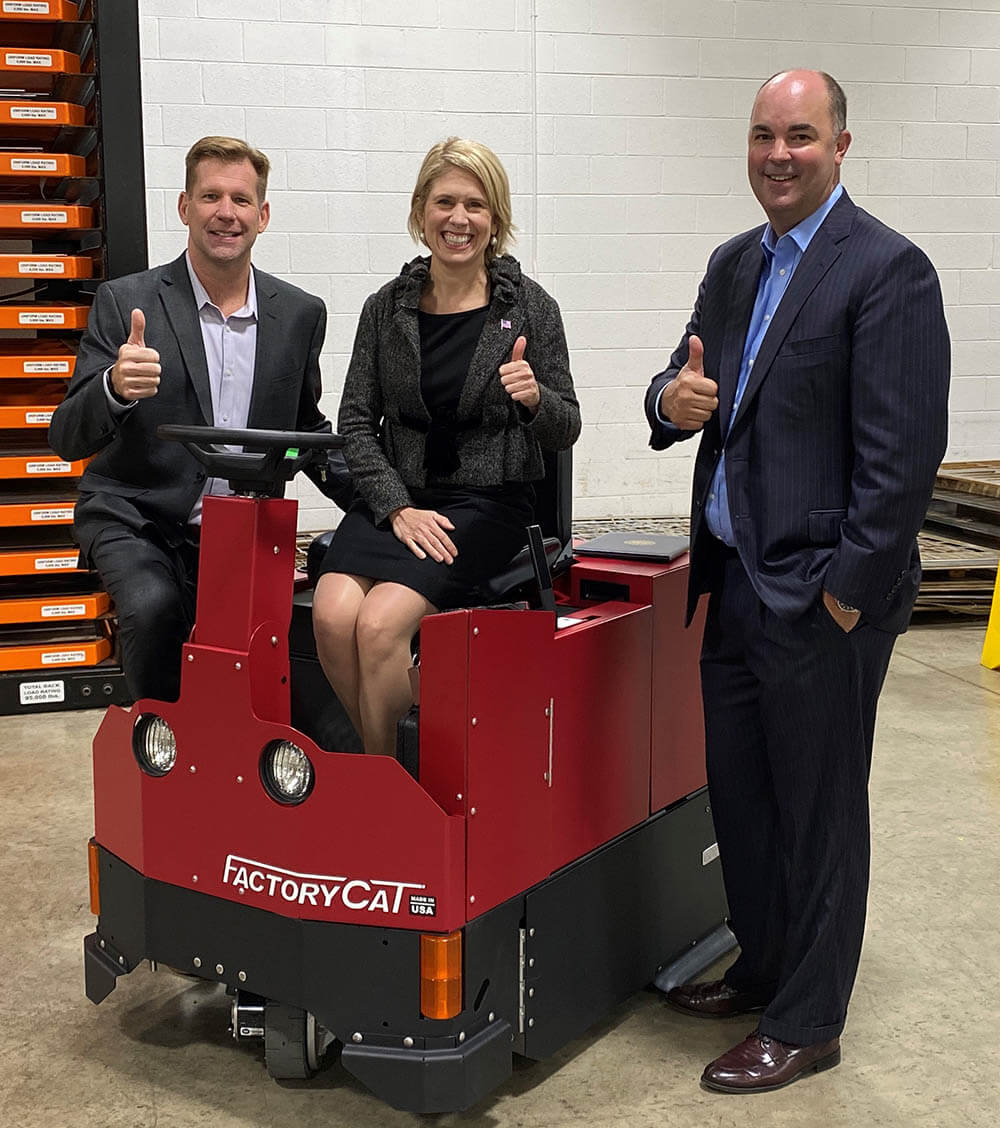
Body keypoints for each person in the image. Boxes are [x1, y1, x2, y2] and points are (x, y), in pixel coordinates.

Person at [645, 71, 950, 1093]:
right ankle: (765, 966)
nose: (779, 154)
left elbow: (900, 459)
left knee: (819, 813)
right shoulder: (735, 266)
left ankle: (808, 1019)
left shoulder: (886, 270)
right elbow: (674, 381)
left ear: (841, 146)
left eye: (801, 137)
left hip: (822, 599)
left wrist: (845, 593)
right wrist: (668, 397)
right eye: (763, 135)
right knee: (744, 799)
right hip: (732, 580)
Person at [48, 136, 352, 703]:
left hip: (244, 526)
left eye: (240, 199)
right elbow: (67, 436)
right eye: (210, 196)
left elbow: (306, 426)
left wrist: (388, 506)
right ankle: (158, 750)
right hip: (135, 515)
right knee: (153, 608)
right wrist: (113, 388)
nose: (225, 212)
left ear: (261, 216)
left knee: (267, 649)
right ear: (185, 207)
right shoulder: (126, 301)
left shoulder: (299, 315)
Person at [312, 137, 580, 757]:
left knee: (379, 626)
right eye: (444, 203)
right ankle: (391, 764)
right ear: (420, 212)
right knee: (331, 615)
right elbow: (354, 422)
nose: (459, 219)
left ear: (495, 221)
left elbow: (566, 426)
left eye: (475, 206)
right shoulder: (387, 309)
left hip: (487, 505)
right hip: (401, 500)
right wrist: (396, 507)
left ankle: (387, 796)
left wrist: (536, 399)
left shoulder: (531, 309)